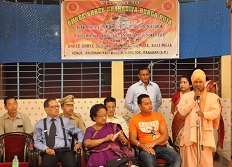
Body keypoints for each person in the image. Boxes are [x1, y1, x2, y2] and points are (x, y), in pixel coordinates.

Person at [178, 69, 221, 167]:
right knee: (190, 162)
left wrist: (204, 114)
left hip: (205, 134)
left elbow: (215, 112)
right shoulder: (186, 96)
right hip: (190, 134)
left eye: (200, 82)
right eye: (195, 82)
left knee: (205, 162)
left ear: (204, 82)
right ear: (192, 83)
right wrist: (193, 100)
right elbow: (182, 111)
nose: (198, 84)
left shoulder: (212, 97)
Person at [129, 94, 182, 167]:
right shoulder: (134, 119)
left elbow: (165, 135)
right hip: (146, 149)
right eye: (146, 104)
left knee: (177, 159)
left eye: (150, 103)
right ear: (139, 106)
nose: (150, 105)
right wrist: (143, 146)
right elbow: (132, 139)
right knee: (149, 163)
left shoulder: (159, 116)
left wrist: (153, 143)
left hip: (162, 147)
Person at [33, 98, 84, 167]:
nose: (56, 108)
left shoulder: (65, 121)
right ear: (46, 109)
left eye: (57, 106)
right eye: (53, 107)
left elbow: (79, 132)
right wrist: (46, 149)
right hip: (49, 151)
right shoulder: (40, 124)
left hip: (65, 151)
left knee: (71, 165)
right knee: (47, 164)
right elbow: (36, 141)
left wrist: (79, 143)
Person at [171, 75, 192, 146]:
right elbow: (173, 110)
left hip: (190, 122)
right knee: (177, 142)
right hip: (177, 122)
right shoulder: (176, 96)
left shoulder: (193, 96)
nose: (182, 84)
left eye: (184, 82)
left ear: (191, 85)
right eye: (181, 82)